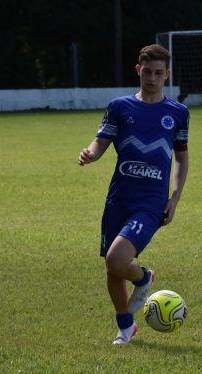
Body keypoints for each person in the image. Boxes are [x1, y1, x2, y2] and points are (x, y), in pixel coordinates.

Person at [77, 44, 189, 345]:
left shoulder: (177, 113)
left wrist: (174, 198)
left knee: (117, 259)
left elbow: (182, 158)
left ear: (167, 75)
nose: (152, 78)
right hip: (119, 198)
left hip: (150, 203)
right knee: (112, 268)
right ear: (138, 71)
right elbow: (101, 141)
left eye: (158, 73)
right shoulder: (120, 107)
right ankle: (125, 327)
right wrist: (91, 152)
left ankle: (142, 278)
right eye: (147, 72)